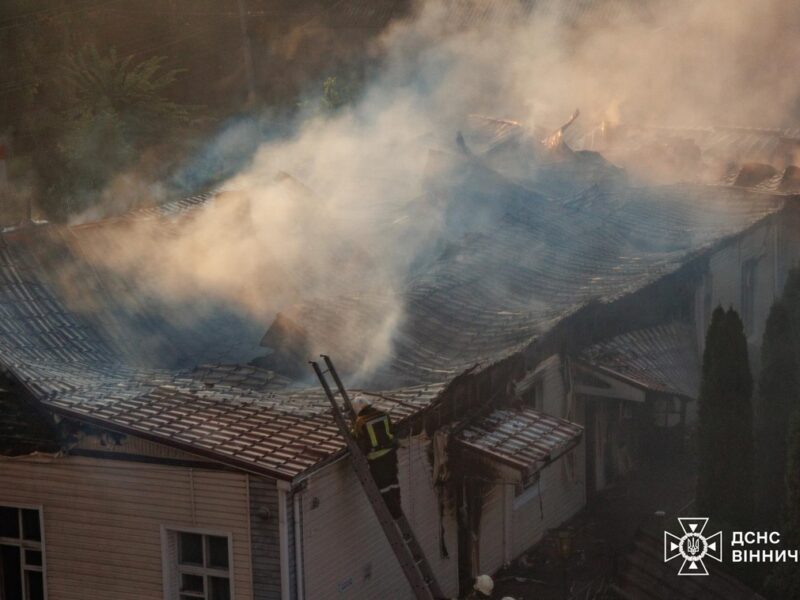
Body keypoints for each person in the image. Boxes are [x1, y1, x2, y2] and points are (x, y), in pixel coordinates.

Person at [351, 397, 402, 518]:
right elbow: (391, 430)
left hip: (376, 457)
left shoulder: (361, 421)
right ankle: (397, 508)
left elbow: (355, 435)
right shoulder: (384, 414)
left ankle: (390, 513)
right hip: (390, 453)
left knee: (382, 485)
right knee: (393, 481)